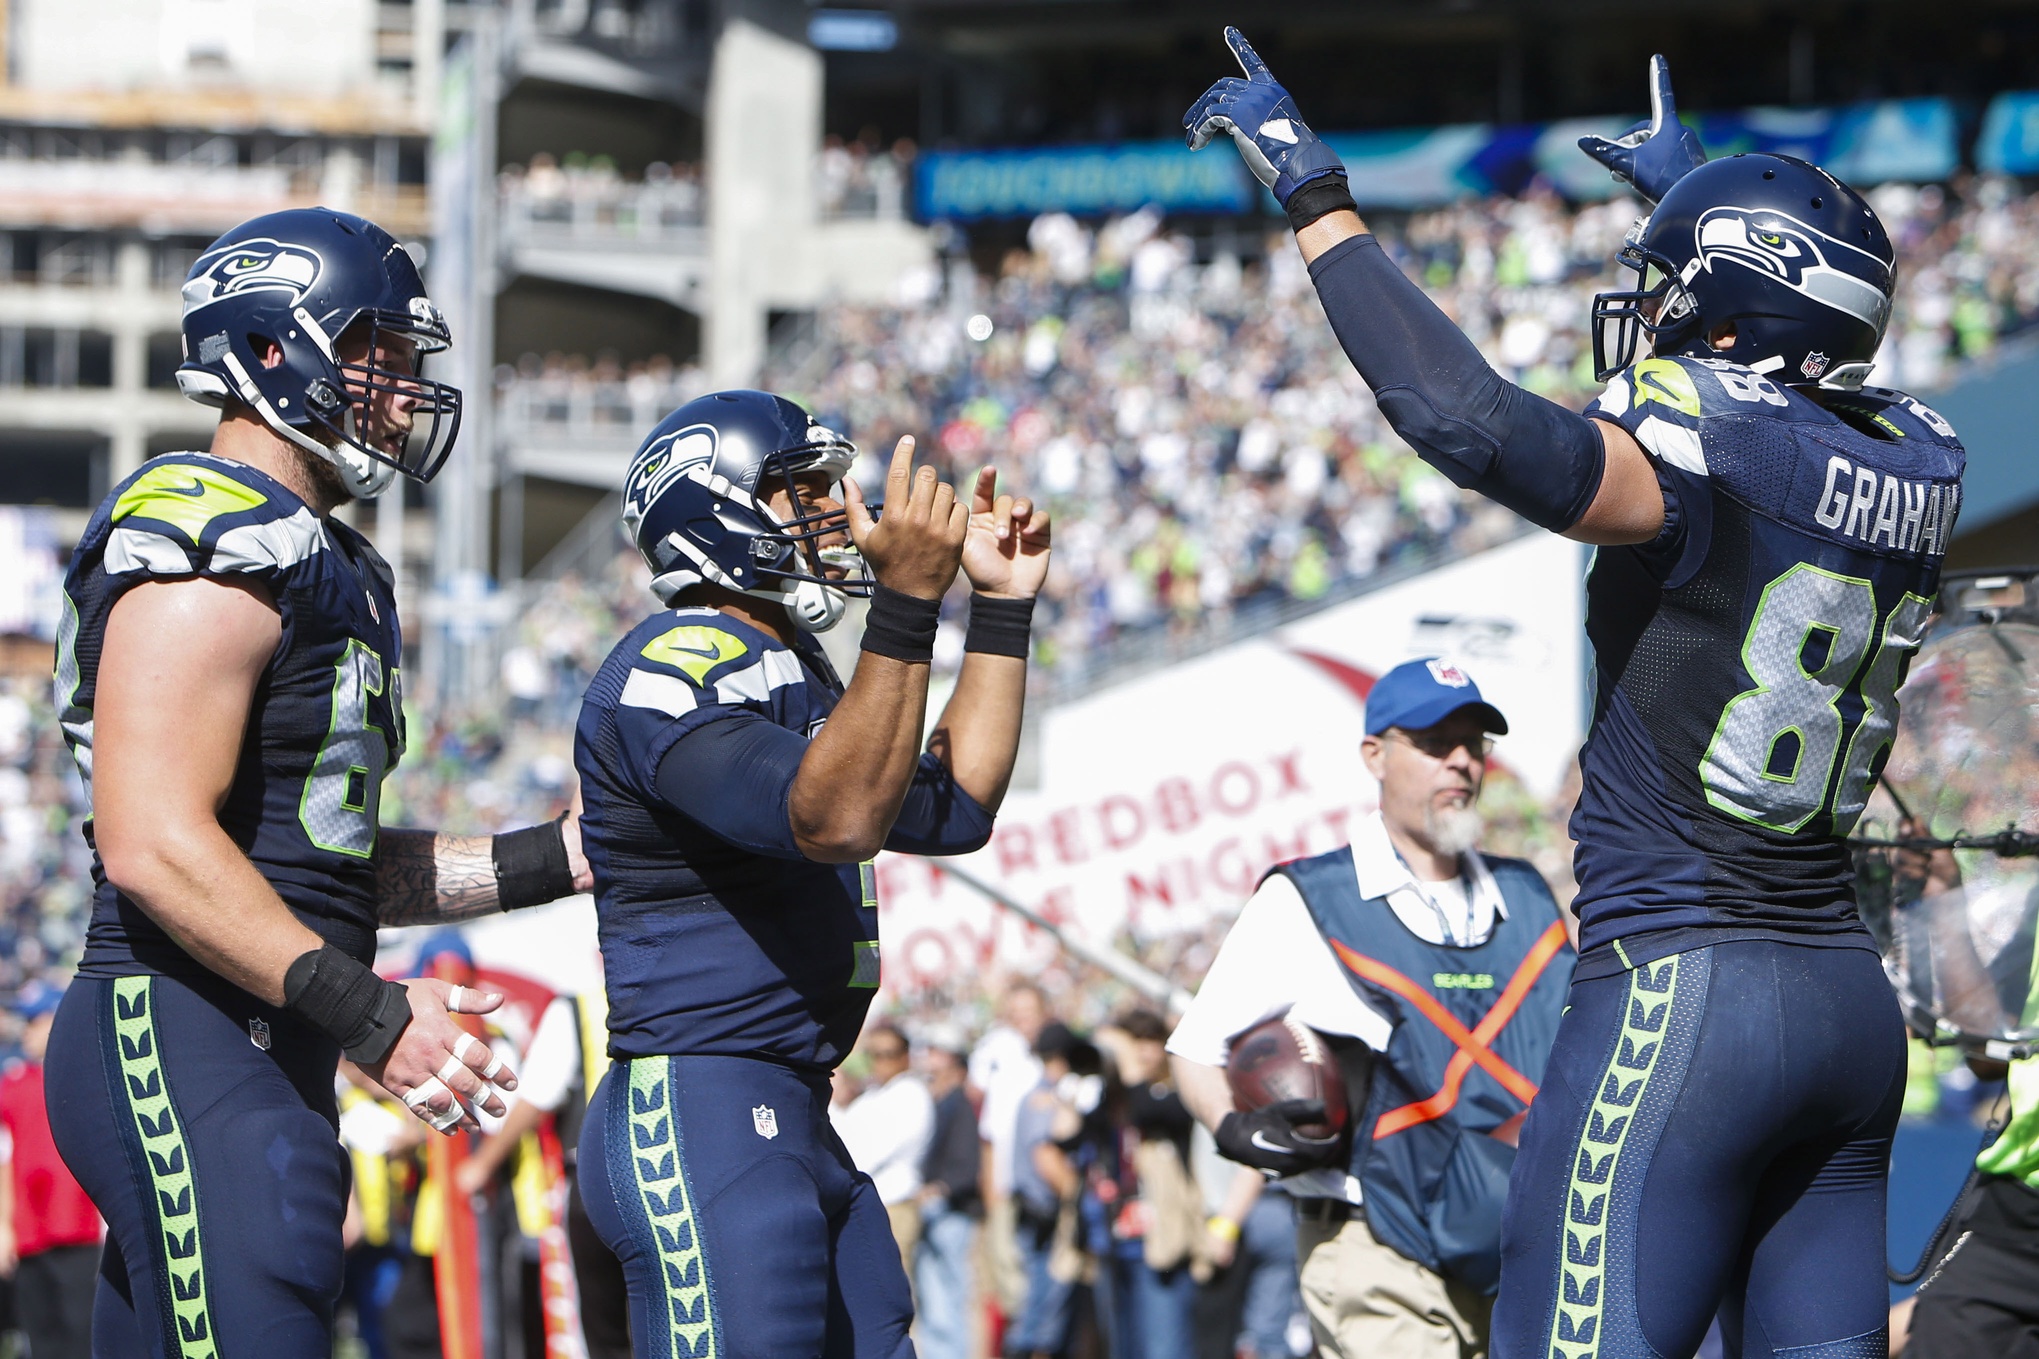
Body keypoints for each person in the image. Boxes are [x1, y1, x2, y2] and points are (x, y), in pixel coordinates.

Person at [1187, 36, 1963, 1358]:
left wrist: (1311, 191)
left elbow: (1462, 419)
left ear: (1728, 316)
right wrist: (1697, 200)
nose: (1648, 312)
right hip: (1842, 1001)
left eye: (1676, 289)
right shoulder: (1920, 454)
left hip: (1680, 991)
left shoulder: (1706, 442)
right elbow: (1787, 407)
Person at [41, 206, 592, 1357]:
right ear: (276, 348)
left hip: (253, 1037)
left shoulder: (321, 557)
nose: (399, 392)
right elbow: (150, 840)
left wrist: (553, 858)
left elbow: (322, 856)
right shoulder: (207, 529)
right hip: (179, 1026)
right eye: (375, 356)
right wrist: (372, 1015)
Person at [571, 389, 1050, 1358]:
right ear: (713, 510)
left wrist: (997, 609)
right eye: (799, 492)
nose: (834, 513)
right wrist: (912, 605)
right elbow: (834, 817)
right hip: (699, 1104)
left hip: (791, 1106)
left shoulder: (796, 669)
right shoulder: (679, 657)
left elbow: (952, 805)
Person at [1169, 659, 1572, 1357]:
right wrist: (1237, 1129)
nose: (1459, 762)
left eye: (1472, 744)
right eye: (1434, 741)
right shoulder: (1307, 896)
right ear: (1374, 755)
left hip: (1527, 1243)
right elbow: (1196, 1047)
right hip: (1375, 1244)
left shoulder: (1528, 893)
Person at [0, 981, 101, 1359]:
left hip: (80, 1230)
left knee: (81, 1333)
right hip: (29, 1233)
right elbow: (4, 1159)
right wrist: (4, 1227)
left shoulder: (85, 1075)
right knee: (41, 1337)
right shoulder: (10, 1085)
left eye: (34, 1021)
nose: (25, 1031)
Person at [832, 1022, 937, 1267]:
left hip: (893, 1209)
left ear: (906, 1056)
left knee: (893, 1293)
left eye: (889, 1054)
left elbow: (861, 1154)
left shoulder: (910, 1095)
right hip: (873, 1206)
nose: (881, 1062)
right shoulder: (874, 1095)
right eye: (874, 1055)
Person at [915, 1031, 983, 1359]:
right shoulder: (939, 1102)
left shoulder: (959, 1105)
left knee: (948, 1301)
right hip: (939, 1213)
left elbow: (966, 1168)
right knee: (934, 1301)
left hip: (951, 1213)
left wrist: (937, 1190)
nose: (931, 1060)